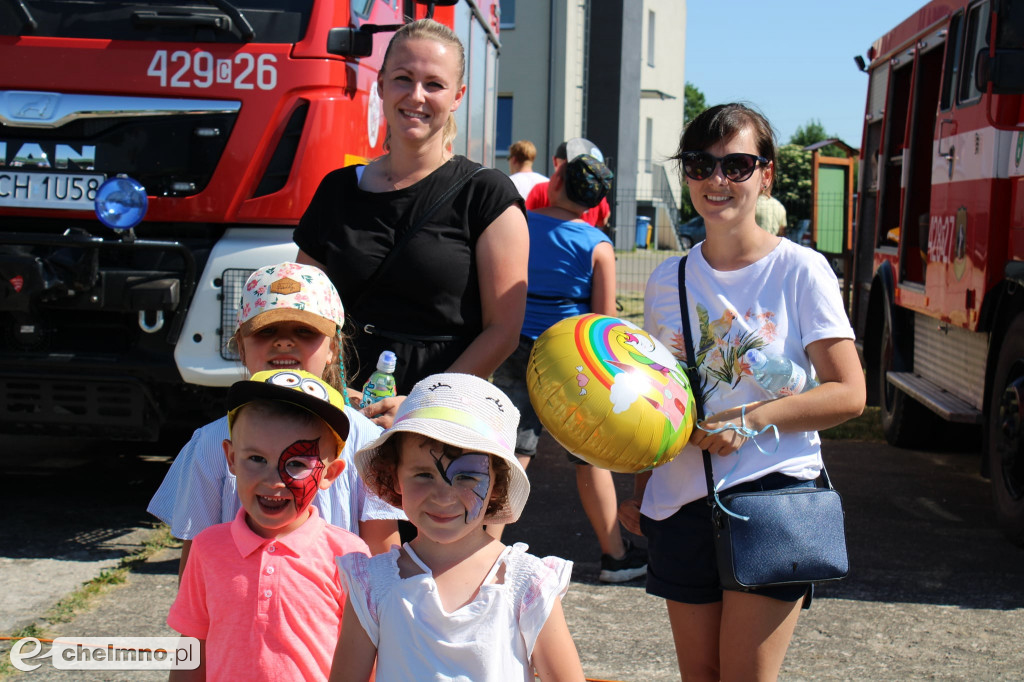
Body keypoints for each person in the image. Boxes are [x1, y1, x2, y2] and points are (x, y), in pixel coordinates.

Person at [619, 103, 865, 681]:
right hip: (679, 502)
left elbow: (849, 393)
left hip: (772, 500)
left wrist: (750, 419)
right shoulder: (666, 278)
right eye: (701, 165)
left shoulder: (802, 270)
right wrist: (641, 485)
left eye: (738, 165)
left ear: (767, 173)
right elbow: (663, 395)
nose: (717, 181)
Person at [294, 19, 529, 426]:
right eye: (403, 78)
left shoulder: (487, 195)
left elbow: (503, 330)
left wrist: (424, 403)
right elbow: (303, 307)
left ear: (458, 97)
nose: (416, 96)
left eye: (434, 84)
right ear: (381, 85)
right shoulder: (337, 189)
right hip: (339, 412)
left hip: (439, 420)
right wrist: (326, 385)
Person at [148, 263, 403, 576]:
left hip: (336, 619)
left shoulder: (362, 439)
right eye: (266, 331)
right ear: (241, 347)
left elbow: (382, 557)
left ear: (333, 349)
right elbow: (195, 564)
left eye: (305, 331)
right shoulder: (212, 442)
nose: (283, 342)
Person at [329, 373, 585, 682]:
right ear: (395, 476)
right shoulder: (372, 584)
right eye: (423, 475)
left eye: (467, 477)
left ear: (496, 486)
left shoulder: (526, 584)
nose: (443, 496)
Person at [491, 152, 646, 581]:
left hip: (514, 344)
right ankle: (615, 555)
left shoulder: (520, 223)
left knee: (515, 451)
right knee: (588, 456)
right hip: (567, 357)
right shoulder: (597, 245)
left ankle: (484, 547)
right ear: (597, 201)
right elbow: (603, 321)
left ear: (555, 180)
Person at [168, 369, 370, 682]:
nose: (273, 480)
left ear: (330, 474)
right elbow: (193, 645)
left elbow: (366, 656)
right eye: (256, 459)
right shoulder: (208, 548)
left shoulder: (349, 555)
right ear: (231, 458)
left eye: (297, 464)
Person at [525, 138, 611, 230]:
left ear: (554, 161)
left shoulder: (540, 190)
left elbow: (526, 221)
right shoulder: (592, 191)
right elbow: (603, 220)